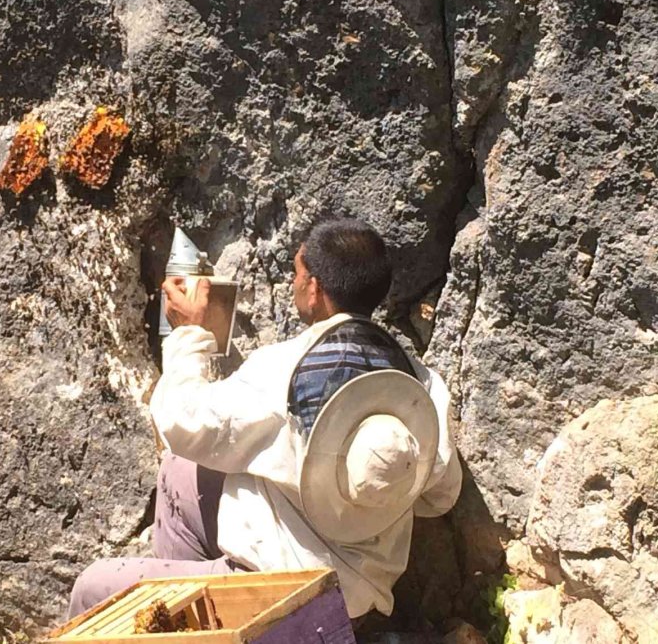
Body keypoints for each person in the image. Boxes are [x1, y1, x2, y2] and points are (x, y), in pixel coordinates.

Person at [67, 219, 461, 621]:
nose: (294, 283)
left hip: (279, 590)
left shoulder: (284, 372)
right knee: (181, 470)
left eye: (297, 273)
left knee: (91, 588)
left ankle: (205, 619)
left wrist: (190, 332)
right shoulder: (420, 384)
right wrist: (357, 501)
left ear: (314, 289)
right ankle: (190, 623)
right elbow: (440, 495)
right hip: (362, 597)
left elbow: (182, 421)